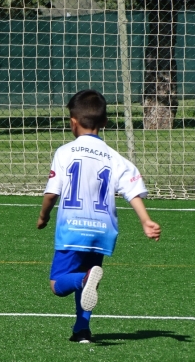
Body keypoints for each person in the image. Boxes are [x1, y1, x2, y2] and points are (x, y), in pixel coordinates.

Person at [37, 89, 161, 343]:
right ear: (104, 123)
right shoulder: (115, 158)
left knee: (58, 283)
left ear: (72, 122)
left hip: (72, 228)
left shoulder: (64, 152)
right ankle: (82, 330)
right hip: (102, 231)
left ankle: (82, 281)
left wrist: (43, 216)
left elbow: (52, 193)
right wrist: (146, 220)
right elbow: (132, 190)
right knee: (89, 278)